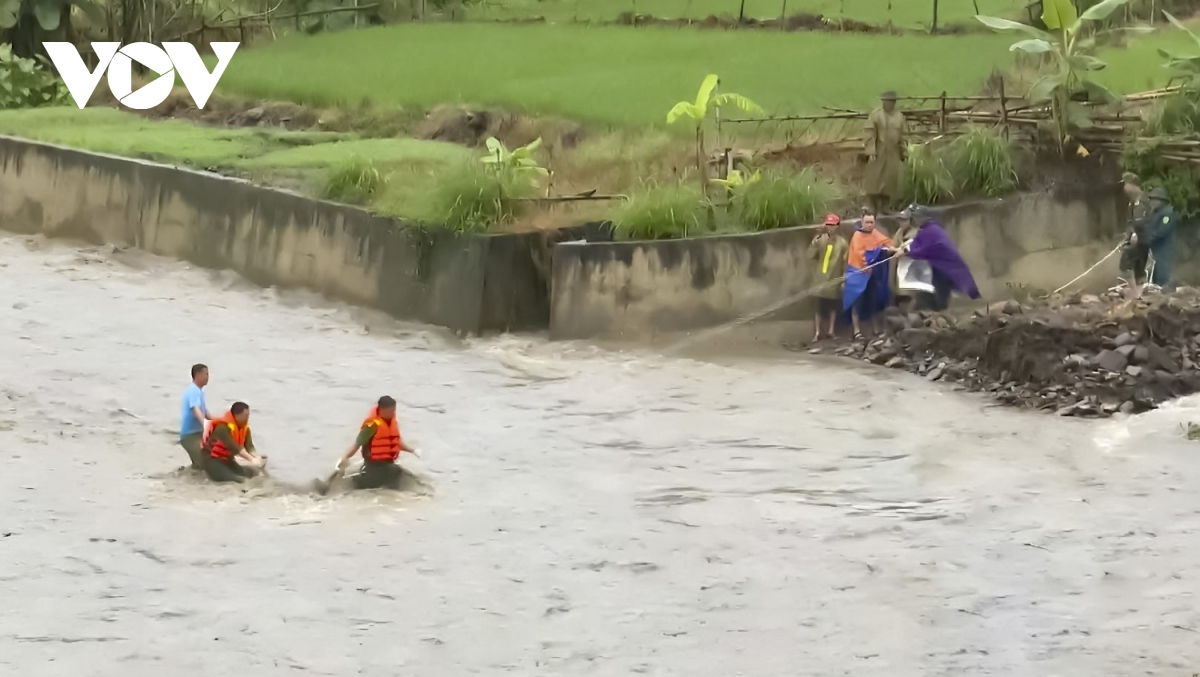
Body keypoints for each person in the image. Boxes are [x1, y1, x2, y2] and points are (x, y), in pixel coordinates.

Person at [890, 206, 980, 311]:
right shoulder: (924, 230)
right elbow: (915, 245)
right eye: (916, 217)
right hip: (936, 265)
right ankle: (939, 309)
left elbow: (926, 248)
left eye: (919, 217)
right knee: (938, 288)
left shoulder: (933, 230)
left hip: (946, 265)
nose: (917, 219)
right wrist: (903, 251)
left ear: (926, 218)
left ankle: (944, 311)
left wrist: (906, 252)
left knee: (945, 288)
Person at [334, 396, 420, 491]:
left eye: (394, 410)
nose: (393, 413)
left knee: (397, 471)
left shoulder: (391, 422)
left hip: (388, 464)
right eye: (391, 411)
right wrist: (345, 457)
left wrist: (413, 451)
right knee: (395, 471)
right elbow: (357, 444)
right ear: (382, 410)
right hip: (373, 466)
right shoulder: (371, 426)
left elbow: (396, 443)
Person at [842, 212, 893, 340]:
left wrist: (893, 249)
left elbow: (886, 242)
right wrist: (866, 265)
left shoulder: (875, 234)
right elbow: (859, 253)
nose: (869, 225)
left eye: (871, 222)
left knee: (873, 300)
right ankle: (856, 330)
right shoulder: (857, 235)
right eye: (867, 222)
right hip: (858, 272)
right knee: (856, 300)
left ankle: (875, 328)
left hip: (872, 274)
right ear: (862, 222)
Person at [863, 91, 907, 216]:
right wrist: (871, 150)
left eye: (891, 102)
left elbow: (903, 136)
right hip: (879, 151)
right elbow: (869, 132)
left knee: (890, 180)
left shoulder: (899, 117)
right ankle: (871, 204)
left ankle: (885, 206)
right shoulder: (876, 115)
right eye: (886, 102)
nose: (888, 104)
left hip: (893, 152)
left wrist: (904, 152)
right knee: (874, 178)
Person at [808, 213, 849, 342]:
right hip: (820, 279)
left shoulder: (842, 243)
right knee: (819, 307)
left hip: (834, 279)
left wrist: (843, 279)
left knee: (833, 306)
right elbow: (810, 255)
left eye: (833, 225)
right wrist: (814, 243)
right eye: (828, 225)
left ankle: (831, 330)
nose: (831, 227)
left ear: (837, 226)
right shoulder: (820, 239)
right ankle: (818, 332)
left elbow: (845, 263)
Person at [202, 402, 266, 483]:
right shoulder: (222, 428)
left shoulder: (245, 428)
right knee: (237, 479)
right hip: (213, 460)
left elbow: (249, 447)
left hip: (228, 460)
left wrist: (257, 458)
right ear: (236, 416)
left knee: (248, 474)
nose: (247, 418)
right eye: (245, 416)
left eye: (248, 415)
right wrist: (252, 460)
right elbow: (234, 448)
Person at [179, 363, 219, 470]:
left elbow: (204, 410)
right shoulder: (193, 390)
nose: (208, 377)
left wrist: (217, 421)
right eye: (206, 374)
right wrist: (205, 423)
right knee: (205, 464)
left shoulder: (200, 391)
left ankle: (190, 475)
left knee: (210, 455)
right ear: (198, 375)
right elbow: (195, 409)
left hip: (198, 433)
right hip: (190, 436)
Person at [1118, 172, 1151, 299]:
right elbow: (1130, 221)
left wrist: (1137, 233)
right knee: (1127, 266)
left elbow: (1146, 221)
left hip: (1143, 240)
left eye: (1126, 184)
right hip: (1134, 240)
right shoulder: (1131, 203)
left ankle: (1137, 294)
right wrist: (1129, 234)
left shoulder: (1145, 202)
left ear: (1133, 185)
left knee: (1134, 267)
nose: (1125, 188)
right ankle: (1136, 295)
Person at [888, 205, 923, 311]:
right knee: (899, 294)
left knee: (911, 294)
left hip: (912, 266)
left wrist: (901, 251)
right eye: (900, 220)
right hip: (900, 267)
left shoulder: (916, 233)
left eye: (904, 220)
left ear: (910, 220)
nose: (902, 223)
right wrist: (892, 249)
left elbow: (914, 249)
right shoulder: (899, 232)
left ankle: (911, 314)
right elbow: (895, 245)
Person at [1144, 186, 1177, 291]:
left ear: (1161, 200)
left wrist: (1149, 238)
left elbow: (1163, 230)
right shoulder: (1153, 213)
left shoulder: (1167, 213)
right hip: (1154, 247)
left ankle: (1165, 291)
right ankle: (1155, 290)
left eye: (1155, 199)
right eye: (1151, 199)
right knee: (1154, 270)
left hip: (1163, 247)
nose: (1152, 202)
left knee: (1162, 269)